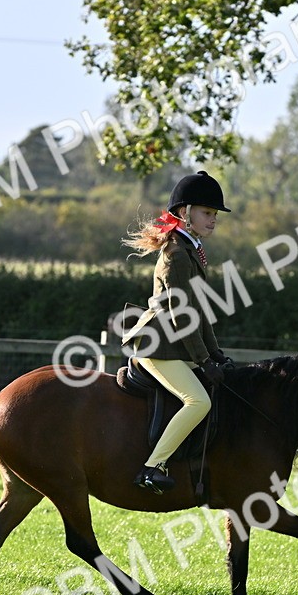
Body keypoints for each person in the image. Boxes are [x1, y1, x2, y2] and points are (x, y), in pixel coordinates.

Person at [121, 170, 234, 494]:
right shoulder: (176, 256)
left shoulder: (190, 251)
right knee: (198, 402)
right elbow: (181, 316)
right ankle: (151, 467)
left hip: (176, 345)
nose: (213, 220)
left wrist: (214, 354)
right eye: (207, 213)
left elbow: (200, 313)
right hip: (159, 346)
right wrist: (203, 358)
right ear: (185, 213)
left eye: (214, 214)